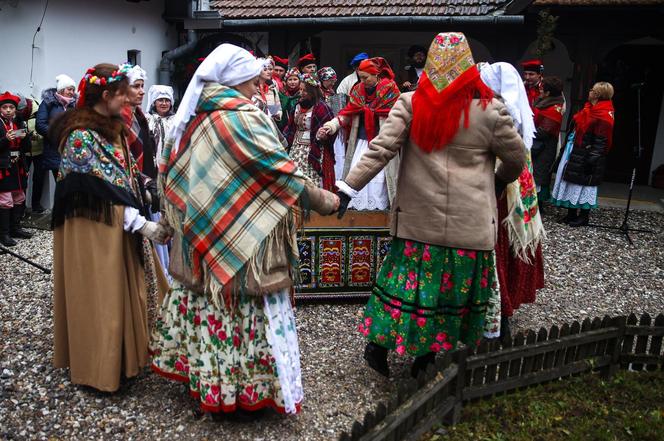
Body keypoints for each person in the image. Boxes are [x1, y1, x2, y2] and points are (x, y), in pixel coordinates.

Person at [151, 44, 340, 416]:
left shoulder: (191, 118)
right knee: (244, 310)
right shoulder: (245, 118)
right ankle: (244, 391)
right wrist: (322, 200)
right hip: (246, 243)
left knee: (209, 307)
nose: (258, 89)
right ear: (236, 81)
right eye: (253, 82)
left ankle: (210, 383)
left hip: (201, 239)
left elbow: (171, 176)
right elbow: (281, 173)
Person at [335, 33, 526, 378]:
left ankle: (379, 345)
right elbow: (516, 160)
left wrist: (348, 187)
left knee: (403, 286)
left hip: (417, 224)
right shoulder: (490, 110)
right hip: (468, 228)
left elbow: (380, 150)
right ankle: (426, 360)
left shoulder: (410, 103)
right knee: (450, 294)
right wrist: (497, 180)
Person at [50, 63, 171, 392]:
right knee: (99, 297)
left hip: (116, 226)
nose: (131, 97)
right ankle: (98, 370)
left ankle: (122, 361)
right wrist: (141, 224)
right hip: (92, 231)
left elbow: (121, 175)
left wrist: (146, 186)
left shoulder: (110, 128)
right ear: (106, 96)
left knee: (118, 294)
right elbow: (96, 191)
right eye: (123, 92)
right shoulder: (80, 137)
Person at [479, 62, 545, 337]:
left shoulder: (499, 112)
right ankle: (505, 308)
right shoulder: (519, 110)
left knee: (495, 249)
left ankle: (498, 310)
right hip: (518, 189)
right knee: (508, 247)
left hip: (500, 190)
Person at [319, 57, 401, 210]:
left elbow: (399, 115)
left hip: (384, 141)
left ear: (376, 74)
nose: (363, 81)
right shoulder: (357, 90)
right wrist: (332, 125)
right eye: (360, 77)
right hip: (362, 140)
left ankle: (381, 210)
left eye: (366, 77)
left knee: (382, 176)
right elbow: (348, 113)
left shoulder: (391, 89)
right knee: (359, 170)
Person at [551, 82, 615, 227]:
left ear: (597, 94)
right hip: (576, 150)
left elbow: (601, 141)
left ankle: (583, 217)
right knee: (571, 180)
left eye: (592, 90)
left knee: (585, 184)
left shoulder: (604, 114)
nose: (589, 91)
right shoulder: (589, 108)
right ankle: (571, 213)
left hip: (587, 154)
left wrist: (591, 160)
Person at [284, 73, 336, 190]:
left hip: (314, 148)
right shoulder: (297, 106)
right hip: (296, 148)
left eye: (305, 90)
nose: (301, 93)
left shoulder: (322, 108)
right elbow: (291, 127)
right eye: (300, 89)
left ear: (312, 92)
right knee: (295, 177)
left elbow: (330, 130)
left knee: (312, 178)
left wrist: (323, 135)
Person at [34, 74, 77, 213]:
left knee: (71, 183)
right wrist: (58, 133)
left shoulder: (73, 105)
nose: (71, 92)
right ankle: (61, 213)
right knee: (61, 182)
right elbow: (40, 125)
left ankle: (69, 212)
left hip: (73, 151)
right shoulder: (48, 103)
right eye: (69, 89)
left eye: (73, 89)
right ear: (61, 89)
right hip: (55, 150)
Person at [0, 92, 33, 247]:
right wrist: (5, 140)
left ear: (15, 110)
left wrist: (25, 136)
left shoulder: (19, 121)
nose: (8, 110)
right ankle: (4, 234)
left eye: (11, 107)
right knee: (5, 200)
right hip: (3, 166)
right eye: (5, 107)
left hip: (18, 165)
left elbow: (26, 148)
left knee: (19, 196)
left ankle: (15, 228)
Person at [531, 76, 565, 206]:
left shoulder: (554, 109)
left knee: (537, 177)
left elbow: (543, 132)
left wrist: (525, 131)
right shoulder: (544, 102)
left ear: (548, 93)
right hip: (536, 145)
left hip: (544, 148)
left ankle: (535, 207)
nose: (539, 91)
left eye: (541, 89)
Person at [122, 65, 158, 181]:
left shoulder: (139, 115)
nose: (142, 92)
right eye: (136, 86)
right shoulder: (121, 119)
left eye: (142, 86)